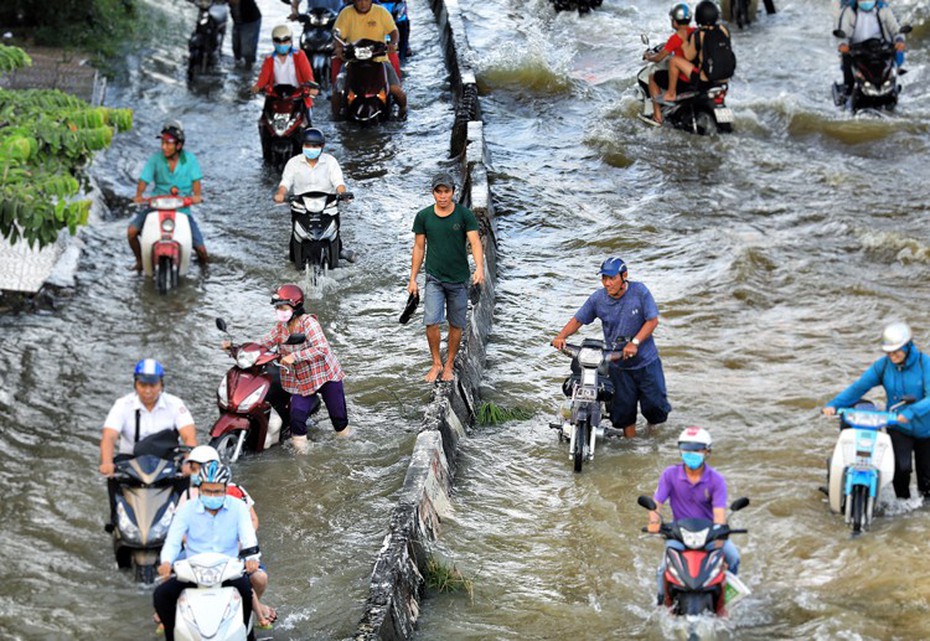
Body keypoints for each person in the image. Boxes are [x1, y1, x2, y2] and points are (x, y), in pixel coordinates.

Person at [551, 257, 670, 439]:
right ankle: (632, 449)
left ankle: (652, 440)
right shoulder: (598, 299)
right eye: (604, 278)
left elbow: (652, 321)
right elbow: (578, 320)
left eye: (612, 278)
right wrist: (561, 336)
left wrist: (635, 343)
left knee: (656, 408)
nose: (607, 283)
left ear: (624, 276)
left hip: (646, 363)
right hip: (618, 364)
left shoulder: (640, 292)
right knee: (624, 415)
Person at [822, 322, 930, 499]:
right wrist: (833, 405)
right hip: (898, 426)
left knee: (927, 480)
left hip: (926, 430)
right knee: (901, 470)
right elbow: (858, 388)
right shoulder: (884, 366)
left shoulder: (925, 363)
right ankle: (903, 507)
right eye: (888, 352)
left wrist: (910, 413)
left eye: (896, 351)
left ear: (908, 346)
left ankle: (922, 519)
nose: (892, 356)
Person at [154, 462, 259, 641]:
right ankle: (172, 636)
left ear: (226, 488)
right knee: (161, 595)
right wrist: (166, 562)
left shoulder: (238, 507)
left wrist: (252, 558)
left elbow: (248, 537)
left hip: (228, 572)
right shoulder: (187, 509)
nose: (212, 495)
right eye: (207, 491)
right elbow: (173, 540)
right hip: (193, 572)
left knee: (246, 594)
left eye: (217, 491)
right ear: (199, 488)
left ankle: (248, 636)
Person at [179, 446, 276, 629]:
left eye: (197, 468)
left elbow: (252, 520)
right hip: (198, 553)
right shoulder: (187, 496)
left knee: (254, 579)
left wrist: (241, 541)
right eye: (193, 468)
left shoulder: (235, 492)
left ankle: (251, 612)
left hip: (235, 552)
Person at [645, 427, 740, 605]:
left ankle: (726, 599)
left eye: (696, 449)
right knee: (663, 569)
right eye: (686, 449)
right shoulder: (669, 475)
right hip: (680, 533)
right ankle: (662, 603)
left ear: (707, 452)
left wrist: (719, 543)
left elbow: (719, 514)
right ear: (680, 451)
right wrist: (653, 522)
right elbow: (656, 503)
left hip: (710, 533)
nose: (691, 454)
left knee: (733, 557)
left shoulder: (716, 480)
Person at [407, 172, 485, 383]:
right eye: (438, 192)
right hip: (434, 278)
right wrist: (413, 278)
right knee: (431, 321)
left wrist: (479, 268)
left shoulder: (463, 215)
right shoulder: (423, 217)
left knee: (456, 324)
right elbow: (419, 247)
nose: (442, 196)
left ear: (453, 192)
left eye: (446, 192)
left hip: (459, 280)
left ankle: (449, 363)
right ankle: (436, 363)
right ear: (433, 192)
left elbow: (475, 242)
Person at [99, 359, 198, 524]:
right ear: (135, 384)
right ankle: (116, 520)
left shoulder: (175, 404)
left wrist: (190, 461)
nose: (148, 390)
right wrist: (106, 462)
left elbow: (189, 437)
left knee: (184, 482)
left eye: (153, 385)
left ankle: (183, 522)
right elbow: (109, 437)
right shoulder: (123, 405)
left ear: (161, 384)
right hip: (131, 461)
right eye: (143, 385)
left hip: (166, 461)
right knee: (114, 480)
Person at [255, 284, 350, 451]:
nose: (279, 311)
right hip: (301, 380)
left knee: (339, 420)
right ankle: (302, 460)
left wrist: (294, 356)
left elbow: (322, 348)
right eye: (278, 307)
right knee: (297, 419)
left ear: (295, 306)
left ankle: (347, 450)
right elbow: (264, 342)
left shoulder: (309, 323)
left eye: (283, 307)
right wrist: (240, 349)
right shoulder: (280, 328)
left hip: (325, 375)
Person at [130, 121, 206, 270]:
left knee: (202, 250)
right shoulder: (155, 159)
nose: (164, 147)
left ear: (179, 145)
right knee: (131, 232)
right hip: (156, 206)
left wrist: (196, 196)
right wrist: (139, 195)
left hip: (181, 209)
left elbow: (196, 183)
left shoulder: (190, 160)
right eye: (163, 143)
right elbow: (144, 179)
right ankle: (140, 261)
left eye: (169, 143)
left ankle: (204, 276)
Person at [274, 128, 355, 263]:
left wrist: (342, 193)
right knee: (292, 255)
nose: (311, 148)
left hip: (328, 208)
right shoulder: (293, 163)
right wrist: (281, 194)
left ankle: (339, 250)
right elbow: (285, 183)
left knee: (335, 230)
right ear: (302, 145)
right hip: (301, 209)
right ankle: (296, 254)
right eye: (308, 145)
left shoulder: (330, 162)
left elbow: (338, 182)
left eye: (315, 146)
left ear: (322, 146)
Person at [331, 0, 407, 119]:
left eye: (366, 0)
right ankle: (335, 118)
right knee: (338, 90)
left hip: (379, 59)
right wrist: (339, 47)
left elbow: (393, 31)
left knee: (396, 90)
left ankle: (403, 110)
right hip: (353, 61)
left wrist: (393, 43)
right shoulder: (346, 13)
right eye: (359, 0)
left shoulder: (381, 12)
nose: (362, 4)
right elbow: (338, 36)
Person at [663, 0, 733, 103]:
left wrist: (684, 42)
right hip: (725, 79)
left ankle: (670, 94)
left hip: (705, 80)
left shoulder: (699, 34)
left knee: (674, 61)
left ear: (698, 17)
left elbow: (689, 56)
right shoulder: (724, 29)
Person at [835, 0, 907, 97]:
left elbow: (896, 29)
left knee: (891, 65)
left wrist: (899, 40)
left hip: (880, 49)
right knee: (847, 61)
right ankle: (848, 90)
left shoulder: (884, 10)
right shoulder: (849, 11)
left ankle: (893, 86)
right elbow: (842, 33)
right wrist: (843, 45)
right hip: (857, 51)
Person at [642, 4, 696, 125]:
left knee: (653, 75)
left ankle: (657, 116)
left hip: (682, 80)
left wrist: (648, 56)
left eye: (672, 19)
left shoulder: (675, 38)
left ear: (675, 22)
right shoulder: (694, 33)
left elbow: (658, 58)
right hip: (694, 76)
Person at [250, 24, 318, 116]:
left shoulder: (300, 56)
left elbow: (307, 75)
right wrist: (257, 87)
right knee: (264, 122)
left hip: (297, 97)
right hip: (276, 97)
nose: (281, 44)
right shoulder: (269, 59)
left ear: (291, 40)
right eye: (278, 41)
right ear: (273, 42)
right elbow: (263, 78)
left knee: (306, 124)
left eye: (285, 40)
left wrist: (311, 88)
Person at [229, 0, 262, 67]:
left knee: (247, 50)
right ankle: (238, 66)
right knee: (236, 47)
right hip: (237, 21)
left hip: (251, 21)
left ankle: (249, 67)